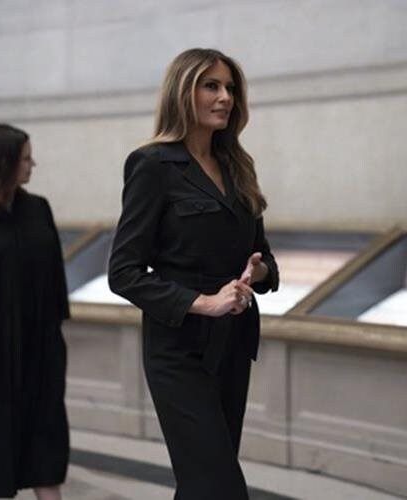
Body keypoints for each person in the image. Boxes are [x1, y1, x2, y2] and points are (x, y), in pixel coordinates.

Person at [108, 48, 279, 499]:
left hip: (234, 344)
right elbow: (123, 272)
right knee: (219, 486)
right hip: (178, 352)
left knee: (203, 485)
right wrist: (205, 303)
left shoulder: (238, 166)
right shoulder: (151, 164)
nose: (225, 97)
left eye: (230, 88)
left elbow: (265, 257)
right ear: (183, 92)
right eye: (211, 86)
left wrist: (256, 272)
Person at [0, 124, 69, 500]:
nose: (32, 165)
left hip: (40, 350)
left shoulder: (37, 209)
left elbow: (55, 277)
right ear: (2, 163)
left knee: (46, 442)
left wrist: (55, 336)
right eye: (25, 159)